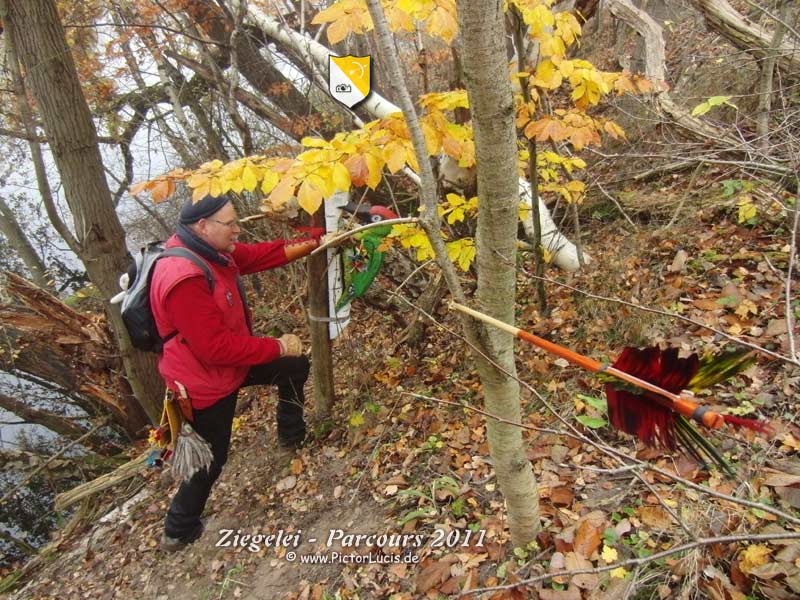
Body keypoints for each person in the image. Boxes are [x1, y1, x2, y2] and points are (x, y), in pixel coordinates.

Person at [151, 193, 320, 552]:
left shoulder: (212, 251)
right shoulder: (183, 277)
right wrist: (276, 345)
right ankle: (178, 530)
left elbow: (261, 255)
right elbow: (214, 349)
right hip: (203, 381)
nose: (237, 230)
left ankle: (292, 436)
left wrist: (321, 238)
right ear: (202, 226)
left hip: (231, 365)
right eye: (230, 224)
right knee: (211, 459)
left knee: (294, 368)